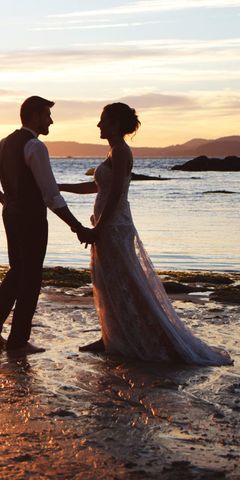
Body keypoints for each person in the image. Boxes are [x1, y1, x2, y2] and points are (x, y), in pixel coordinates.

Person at [58, 103, 232, 365]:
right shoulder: (113, 152)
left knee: (123, 284)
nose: (98, 125)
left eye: (103, 120)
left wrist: (98, 229)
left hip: (114, 228)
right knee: (107, 283)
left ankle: (129, 338)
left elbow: (115, 195)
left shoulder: (120, 151)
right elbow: (96, 188)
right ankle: (110, 337)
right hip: (108, 226)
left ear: (116, 124)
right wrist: (57, 186)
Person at [0, 96, 94, 355]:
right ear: (35, 115)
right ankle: (18, 341)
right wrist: (76, 226)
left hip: (11, 215)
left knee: (17, 272)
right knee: (30, 278)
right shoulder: (35, 146)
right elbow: (50, 195)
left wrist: (5, 200)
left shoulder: (6, 143)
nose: (51, 120)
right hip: (31, 218)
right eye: (48, 115)